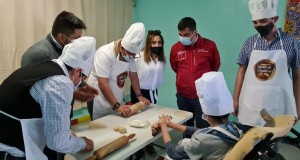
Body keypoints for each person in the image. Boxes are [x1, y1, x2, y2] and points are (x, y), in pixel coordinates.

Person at [0, 37, 96, 159]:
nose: (80, 83)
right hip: (8, 147)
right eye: (83, 78)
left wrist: (62, 131)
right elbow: (59, 143)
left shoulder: (47, 66)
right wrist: (83, 143)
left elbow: (35, 108)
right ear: (78, 72)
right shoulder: (60, 83)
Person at [233, 0, 300, 127]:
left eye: (263, 21)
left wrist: (298, 106)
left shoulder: (291, 43)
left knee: (273, 140)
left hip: (279, 103)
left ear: (274, 19)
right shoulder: (250, 42)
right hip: (251, 102)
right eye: (255, 22)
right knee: (250, 141)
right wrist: (235, 99)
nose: (259, 25)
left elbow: (297, 78)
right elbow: (241, 72)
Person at [152, 72, 244, 160]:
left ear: (206, 113)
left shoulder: (203, 141)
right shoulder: (234, 127)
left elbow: (173, 153)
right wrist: (170, 124)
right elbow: (203, 131)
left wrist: (163, 125)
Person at [21, 10, 98, 109]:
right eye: (77, 39)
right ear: (62, 37)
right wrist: (74, 94)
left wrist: (82, 86)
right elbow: (37, 91)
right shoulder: (37, 54)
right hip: (42, 116)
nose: (80, 43)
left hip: (62, 109)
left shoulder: (69, 51)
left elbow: (67, 75)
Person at [87, 22, 150, 120]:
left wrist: (139, 95)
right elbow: (103, 84)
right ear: (122, 48)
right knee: (100, 127)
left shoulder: (130, 56)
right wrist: (117, 106)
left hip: (115, 92)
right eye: (131, 54)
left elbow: (133, 77)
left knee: (116, 123)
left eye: (135, 55)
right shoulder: (105, 53)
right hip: (98, 96)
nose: (133, 57)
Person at [170, 17, 221, 133]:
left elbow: (215, 66)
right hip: (183, 97)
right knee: (185, 127)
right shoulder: (175, 48)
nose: (183, 38)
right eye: (180, 34)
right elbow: (175, 67)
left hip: (203, 97)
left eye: (186, 34)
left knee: (203, 128)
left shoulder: (209, 46)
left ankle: (201, 150)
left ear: (194, 32)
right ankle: (186, 148)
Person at [130, 30, 166, 158]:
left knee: (151, 120)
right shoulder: (139, 56)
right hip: (139, 92)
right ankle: (138, 148)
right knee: (138, 121)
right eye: (153, 42)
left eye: (159, 42)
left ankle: (149, 143)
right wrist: (139, 95)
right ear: (148, 43)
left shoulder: (161, 59)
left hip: (153, 92)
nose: (157, 45)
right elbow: (132, 75)